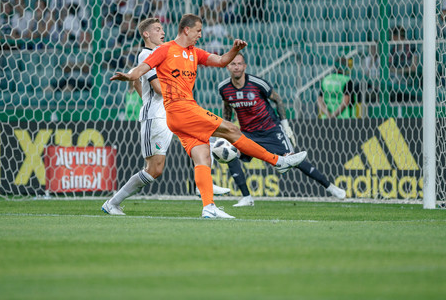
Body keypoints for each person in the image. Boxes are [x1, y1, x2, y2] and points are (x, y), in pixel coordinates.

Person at [110, 13, 307, 219]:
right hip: (180, 109)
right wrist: (129, 76)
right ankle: (278, 161)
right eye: (198, 31)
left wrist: (234, 50)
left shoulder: (195, 52)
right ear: (187, 30)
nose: (200, 35)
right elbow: (141, 69)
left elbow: (221, 61)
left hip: (180, 115)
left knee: (202, 154)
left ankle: (209, 207)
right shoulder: (166, 49)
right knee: (231, 129)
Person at [102, 17, 230, 215]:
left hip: (172, 111)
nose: (162, 32)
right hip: (157, 116)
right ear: (146, 34)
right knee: (155, 169)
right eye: (157, 29)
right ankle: (112, 203)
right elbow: (156, 87)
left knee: (198, 141)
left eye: (162, 28)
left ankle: (204, 186)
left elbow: (137, 82)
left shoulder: (165, 52)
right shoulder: (146, 54)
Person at [219, 54, 346, 207]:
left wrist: (285, 125)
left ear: (245, 66)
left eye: (239, 64)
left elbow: (278, 100)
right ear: (227, 66)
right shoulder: (224, 88)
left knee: (294, 160)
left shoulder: (257, 83)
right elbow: (227, 108)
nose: (237, 67)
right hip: (248, 133)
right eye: (233, 64)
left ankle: (331, 188)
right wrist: (227, 130)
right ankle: (247, 197)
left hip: (271, 130)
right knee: (230, 154)